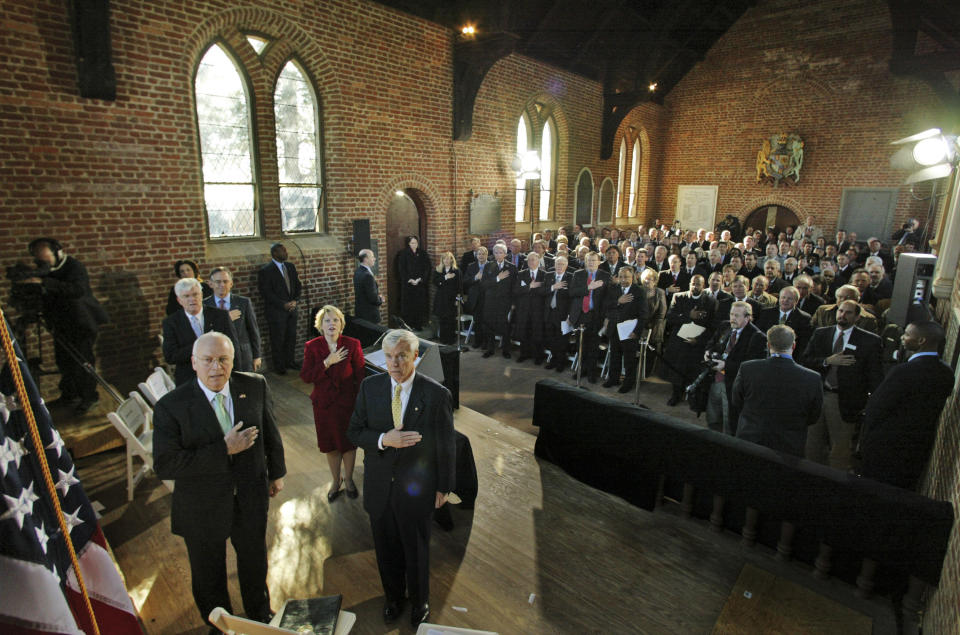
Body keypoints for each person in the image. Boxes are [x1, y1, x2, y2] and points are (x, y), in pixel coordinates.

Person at [153, 332, 286, 631]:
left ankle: (260, 613)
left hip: (250, 496)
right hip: (201, 506)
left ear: (233, 360)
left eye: (223, 359)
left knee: (254, 560)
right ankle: (221, 625)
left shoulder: (254, 385)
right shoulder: (170, 406)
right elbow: (165, 464)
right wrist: (223, 449)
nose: (216, 368)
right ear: (194, 363)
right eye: (208, 360)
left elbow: (269, 431)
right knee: (208, 573)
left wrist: (276, 472)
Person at [347, 329, 455, 629]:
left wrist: (444, 486)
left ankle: (420, 601)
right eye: (389, 357)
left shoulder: (436, 395)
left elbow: (446, 445)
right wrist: (384, 439)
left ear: (415, 357)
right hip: (380, 486)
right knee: (385, 548)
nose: (394, 364)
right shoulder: (370, 387)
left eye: (402, 357)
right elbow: (354, 432)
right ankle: (393, 598)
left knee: (417, 548)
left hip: (417, 488)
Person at [14, 238, 107, 415]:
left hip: (81, 322)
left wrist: (43, 283)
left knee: (82, 362)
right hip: (61, 324)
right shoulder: (46, 271)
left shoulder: (74, 267)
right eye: (39, 259)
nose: (43, 262)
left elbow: (77, 290)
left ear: (57, 252)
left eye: (45, 257)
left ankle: (89, 397)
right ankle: (69, 395)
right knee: (64, 361)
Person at [857, 321, 954, 490]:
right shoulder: (946, 374)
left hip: (885, 447)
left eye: (908, 334)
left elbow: (877, 407)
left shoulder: (904, 371)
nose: (902, 337)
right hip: (917, 448)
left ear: (921, 340)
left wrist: (865, 441)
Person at [802, 300, 884, 469]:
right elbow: (805, 360)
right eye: (840, 311)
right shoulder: (821, 333)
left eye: (848, 313)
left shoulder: (870, 341)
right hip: (818, 395)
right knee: (812, 445)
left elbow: (875, 376)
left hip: (844, 401)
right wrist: (827, 361)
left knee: (840, 450)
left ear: (857, 317)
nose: (842, 315)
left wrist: (869, 404)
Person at [301, 305, 364, 501]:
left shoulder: (352, 344)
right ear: (320, 325)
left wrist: (359, 403)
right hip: (324, 406)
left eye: (335, 320)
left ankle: (350, 479)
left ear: (341, 324)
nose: (331, 324)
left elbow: (360, 376)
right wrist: (327, 362)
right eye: (327, 320)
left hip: (346, 405)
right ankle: (336, 481)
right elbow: (306, 376)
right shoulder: (312, 346)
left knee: (348, 445)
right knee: (331, 446)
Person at [732, 325, 823, 456]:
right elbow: (813, 416)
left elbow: (737, 401)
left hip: (751, 440)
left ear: (768, 345)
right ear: (793, 346)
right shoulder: (812, 378)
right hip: (789, 447)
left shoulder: (748, 368)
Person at [702, 301, 766, 435]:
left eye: (737, 316)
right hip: (715, 381)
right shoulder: (725, 326)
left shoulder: (757, 336)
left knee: (729, 422)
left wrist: (726, 366)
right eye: (731, 314)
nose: (732, 319)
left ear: (747, 318)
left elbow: (750, 365)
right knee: (712, 417)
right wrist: (707, 352)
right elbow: (711, 343)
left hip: (733, 386)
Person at [162, 278, 239, 386]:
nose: (192, 299)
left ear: (201, 295)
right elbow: (170, 356)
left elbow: (234, 347)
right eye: (186, 296)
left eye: (195, 294)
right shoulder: (171, 323)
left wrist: (236, 376)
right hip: (189, 379)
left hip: (221, 375)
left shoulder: (220, 316)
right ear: (179, 300)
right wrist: (201, 344)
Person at [661, 275, 718, 406]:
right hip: (679, 341)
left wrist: (698, 340)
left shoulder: (710, 301)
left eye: (698, 284)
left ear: (703, 286)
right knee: (677, 370)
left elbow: (712, 326)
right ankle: (676, 394)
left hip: (697, 342)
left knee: (693, 371)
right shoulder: (679, 297)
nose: (695, 287)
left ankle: (692, 396)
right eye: (693, 284)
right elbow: (670, 317)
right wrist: (688, 316)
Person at [568, 251, 613, 383]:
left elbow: (608, 298)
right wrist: (588, 287)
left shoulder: (605, 276)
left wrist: (606, 318)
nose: (591, 263)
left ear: (599, 262)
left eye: (594, 260)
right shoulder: (578, 274)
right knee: (580, 345)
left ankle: (592, 373)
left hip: (596, 315)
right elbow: (572, 292)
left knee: (593, 346)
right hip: (580, 314)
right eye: (589, 260)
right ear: (585, 262)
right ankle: (581, 370)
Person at [205, 267, 262, 372]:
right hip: (217, 357)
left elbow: (253, 330)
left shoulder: (243, 302)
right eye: (218, 282)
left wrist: (257, 356)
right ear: (210, 284)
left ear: (231, 284)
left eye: (225, 281)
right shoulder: (205, 305)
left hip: (243, 355)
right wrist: (226, 318)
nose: (222, 285)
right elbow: (205, 332)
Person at [257, 243, 302, 375]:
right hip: (277, 311)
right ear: (275, 253)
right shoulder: (266, 271)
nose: (286, 252)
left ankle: (290, 361)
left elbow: (297, 286)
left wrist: (295, 300)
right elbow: (266, 292)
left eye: (285, 250)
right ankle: (279, 366)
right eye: (283, 251)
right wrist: (282, 304)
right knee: (278, 339)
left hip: (292, 309)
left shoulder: (290, 267)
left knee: (291, 336)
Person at [603, 267, 649, 393]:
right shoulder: (614, 289)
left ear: (632, 277)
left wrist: (637, 332)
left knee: (629, 359)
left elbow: (644, 314)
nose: (623, 280)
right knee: (614, 356)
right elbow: (606, 305)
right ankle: (613, 379)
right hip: (614, 329)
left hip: (630, 331)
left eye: (626, 277)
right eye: (621, 277)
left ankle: (628, 383)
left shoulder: (639, 291)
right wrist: (618, 301)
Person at [480, 244, 516, 358]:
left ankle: (506, 350)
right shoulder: (488, 266)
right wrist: (497, 279)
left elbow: (514, 288)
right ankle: (490, 349)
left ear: (505, 254)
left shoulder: (512, 267)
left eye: (501, 252)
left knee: (505, 326)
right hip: (490, 302)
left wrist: (513, 303)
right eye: (496, 252)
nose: (498, 255)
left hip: (505, 302)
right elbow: (484, 284)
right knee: (489, 325)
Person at [755, 286, 812, 357]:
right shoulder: (766, 313)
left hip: (791, 356)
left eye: (789, 298)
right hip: (766, 353)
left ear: (796, 301)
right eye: (783, 297)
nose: (785, 300)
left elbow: (803, 343)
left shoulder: (804, 318)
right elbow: (759, 334)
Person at [512, 251, 547, 363]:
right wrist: (529, 287)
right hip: (524, 309)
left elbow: (545, 291)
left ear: (538, 261)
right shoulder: (521, 273)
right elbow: (516, 290)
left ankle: (538, 356)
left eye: (533, 259)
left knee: (537, 333)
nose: (531, 262)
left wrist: (535, 288)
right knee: (524, 332)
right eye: (529, 260)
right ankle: (524, 354)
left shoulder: (544, 274)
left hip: (538, 309)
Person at [543, 255, 574, 372]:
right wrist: (553, 287)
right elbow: (542, 291)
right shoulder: (548, 275)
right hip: (549, 312)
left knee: (562, 340)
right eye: (557, 264)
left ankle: (561, 362)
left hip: (563, 314)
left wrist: (570, 315)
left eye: (562, 264)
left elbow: (572, 298)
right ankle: (554, 359)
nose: (559, 266)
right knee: (551, 339)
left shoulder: (571, 277)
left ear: (566, 266)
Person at [397, 236, 431, 330]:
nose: (414, 245)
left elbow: (427, 268)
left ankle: (419, 324)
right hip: (408, 285)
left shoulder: (423, 253)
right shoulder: (403, 254)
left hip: (420, 284)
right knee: (408, 306)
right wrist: (409, 279)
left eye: (415, 243)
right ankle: (409, 325)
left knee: (419, 305)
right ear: (408, 243)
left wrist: (420, 279)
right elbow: (401, 269)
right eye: (412, 243)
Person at [432, 251, 460, 344]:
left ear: (452, 260)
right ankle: (443, 339)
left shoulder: (456, 271)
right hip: (441, 299)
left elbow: (459, 286)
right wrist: (445, 277)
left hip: (452, 299)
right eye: (445, 259)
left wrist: (457, 299)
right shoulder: (438, 270)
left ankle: (451, 339)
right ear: (442, 260)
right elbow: (435, 282)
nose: (447, 260)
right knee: (442, 319)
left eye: (449, 258)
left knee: (451, 320)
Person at [354, 248, 384, 324]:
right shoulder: (367, 276)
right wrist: (380, 299)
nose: (375, 259)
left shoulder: (357, 271)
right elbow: (373, 298)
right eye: (372, 256)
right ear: (366, 259)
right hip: (370, 315)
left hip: (360, 312)